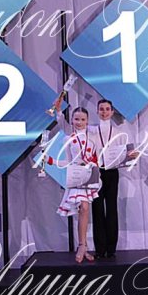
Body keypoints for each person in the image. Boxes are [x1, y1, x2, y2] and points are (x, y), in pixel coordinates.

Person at [90, 99, 139, 259]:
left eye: (107, 109)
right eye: (101, 109)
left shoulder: (119, 133)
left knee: (111, 209)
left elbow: (128, 154)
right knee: (97, 210)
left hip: (112, 173)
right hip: (95, 172)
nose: (104, 112)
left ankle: (111, 248)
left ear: (112, 112)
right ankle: (99, 249)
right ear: (97, 111)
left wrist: (132, 155)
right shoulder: (91, 131)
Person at [56, 107, 100, 263]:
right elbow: (68, 161)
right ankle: (82, 245)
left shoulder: (93, 139)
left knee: (85, 209)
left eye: (82, 119)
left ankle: (83, 246)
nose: (79, 122)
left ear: (87, 121)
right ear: (72, 120)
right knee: (83, 207)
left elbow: (98, 158)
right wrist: (51, 161)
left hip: (88, 176)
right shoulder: (68, 139)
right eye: (76, 119)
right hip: (75, 176)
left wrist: (92, 164)